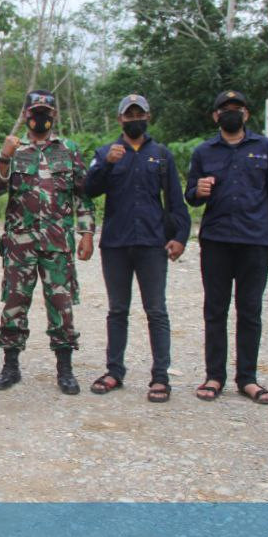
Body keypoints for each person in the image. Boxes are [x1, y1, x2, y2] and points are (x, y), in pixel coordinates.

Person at [185, 90, 268, 405]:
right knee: (215, 310)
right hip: (217, 241)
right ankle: (214, 375)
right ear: (215, 116)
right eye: (225, 109)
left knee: (250, 311)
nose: (231, 113)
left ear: (246, 114)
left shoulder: (265, 148)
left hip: (255, 241)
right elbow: (190, 194)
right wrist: (197, 190)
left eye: (237, 108)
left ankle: (248, 378)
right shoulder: (204, 151)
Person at [84, 94, 191, 403]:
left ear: (148, 117)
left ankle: (160, 377)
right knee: (117, 310)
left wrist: (180, 236)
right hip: (116, 244)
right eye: (128, 115)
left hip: (151, 243)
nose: (134, 120)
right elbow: (88, 190)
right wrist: (106, 165)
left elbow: (174, 199)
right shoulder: (106, 153)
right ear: (120, 119)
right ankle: (114, 371)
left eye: (139, 115)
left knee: (156, 310)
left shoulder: (161, 155)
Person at [0, 90, 95, 395]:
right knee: (13, 304)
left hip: (58, 242)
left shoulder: (69, 149)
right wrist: (4, 156)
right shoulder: (15, 149)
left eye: (46, 112)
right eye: (35, 111)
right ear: (25, 115)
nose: (40, 117)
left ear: (54, 116)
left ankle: (65, 369)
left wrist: (86, 233)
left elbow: (82, 194)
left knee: (62, 306)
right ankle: (11, 366)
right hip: (20, 243)